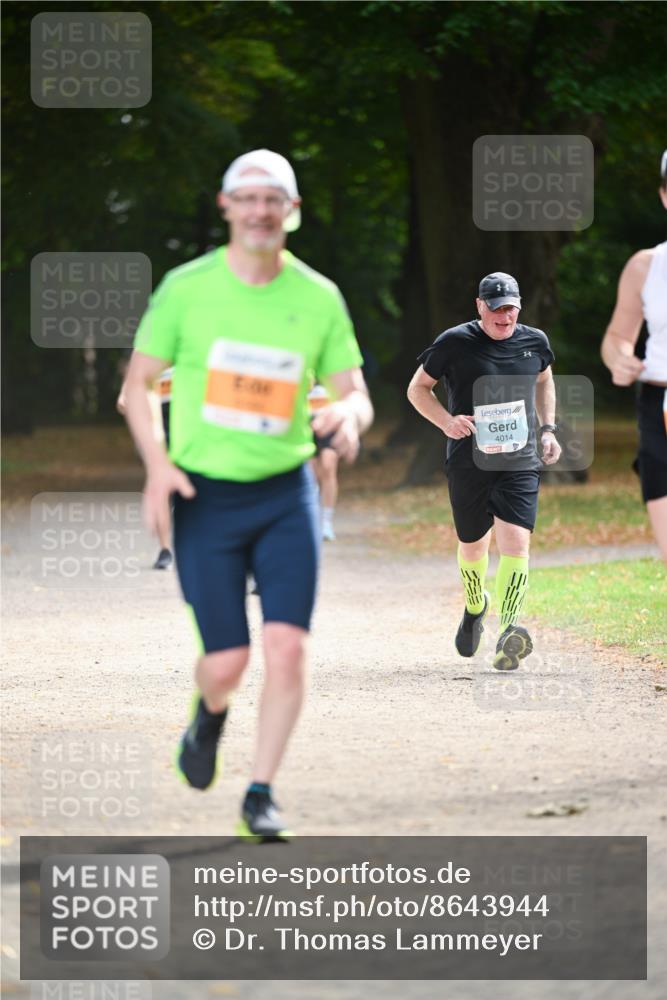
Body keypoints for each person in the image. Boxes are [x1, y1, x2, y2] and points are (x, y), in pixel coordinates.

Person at [122, 149, 372, 839]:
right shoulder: (185, 287)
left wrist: (347, 418)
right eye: (248, 197)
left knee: (287, 646)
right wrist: (156, 465)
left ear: (291, 211)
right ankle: (209, 715)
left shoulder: (317, 297)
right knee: (227, 659)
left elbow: (354, 393)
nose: (261, 210)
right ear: (226, 206)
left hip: (284, 493)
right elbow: (136, 385)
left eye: (274, 199)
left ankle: (260, 791)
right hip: (206, 496)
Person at [407, 273, 561, 670]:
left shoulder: (534, 342)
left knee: (515, 545)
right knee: (474, 545)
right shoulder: (454, 342)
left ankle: (510, 630)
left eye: (510, 308)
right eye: (496, 308)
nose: (504, 316)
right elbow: (417, 390)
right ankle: (476, 605)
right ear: (480, 307)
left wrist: (548, 429)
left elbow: (545, 382)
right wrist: (445, 422)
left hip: (520, 459)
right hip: (468, 459)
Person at [601, 151, 667, 565]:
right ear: (664, 195)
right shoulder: (645, 266)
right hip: (656, 404)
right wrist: (619, 358)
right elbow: (616, 338)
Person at [117, 366, 174, 569]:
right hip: (156, 409)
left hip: (191, 411)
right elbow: (138, 360)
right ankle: (165, 549)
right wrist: (126, 390)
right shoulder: (151, 334)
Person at [308, 382, 340, 541]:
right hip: (306, 423)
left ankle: (326, 522)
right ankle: (313, 518)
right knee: (311, 471)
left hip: (329, 421)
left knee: (328, 466)